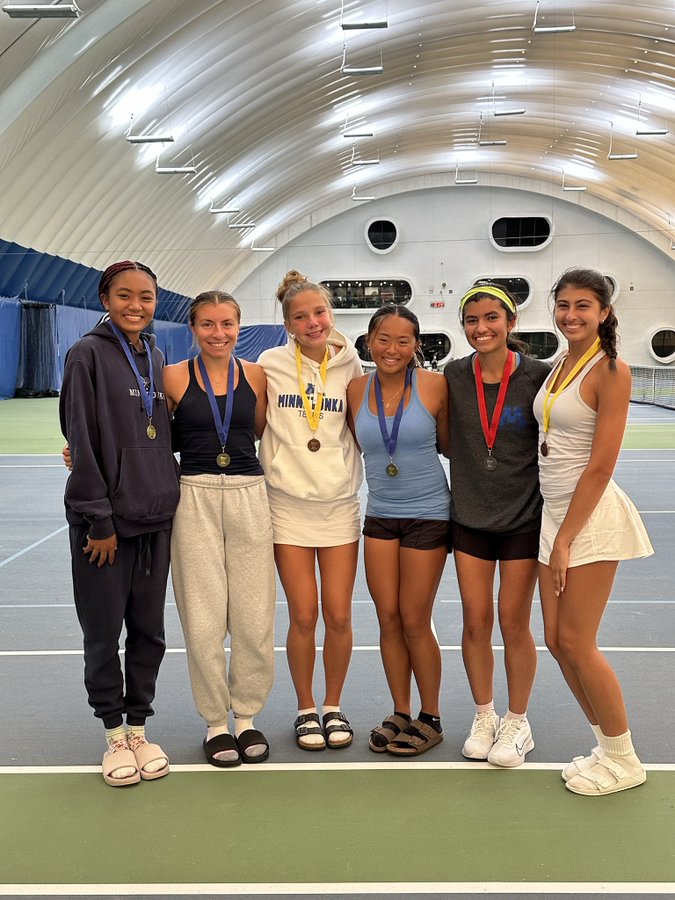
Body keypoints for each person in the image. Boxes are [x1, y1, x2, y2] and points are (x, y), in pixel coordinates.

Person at [59, 260, 180, 787]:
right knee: (104, 632)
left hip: (155, 519)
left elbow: (160, 431)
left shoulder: (154, 353)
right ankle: (112, 733)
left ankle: (138, 727)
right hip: (105, 526)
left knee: (149, 631)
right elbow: (82, 440)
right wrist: (98, 520)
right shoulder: (86, 353)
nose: (137, 305)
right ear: (105, 298)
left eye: (146, 297)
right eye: (125, 295)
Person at [534, 268, 653, 795]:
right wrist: (554, 532)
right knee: (556, 641)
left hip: (590, 518)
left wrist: (564, 541)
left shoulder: (611, 371)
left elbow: (600, 467)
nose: (571, 315)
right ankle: (604, 746)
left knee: (580, 643)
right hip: (553, 515)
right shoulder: (561, 363)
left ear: (604, 312)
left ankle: (626, 759)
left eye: (583, 305)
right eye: (563, 304)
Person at [163, 291, 276, 768]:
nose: (218, 333)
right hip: (194, 496)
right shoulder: (171, 376)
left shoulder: (256, 376)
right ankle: (215, 722)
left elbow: (267, 434)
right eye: (207, 324)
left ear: (239, 326)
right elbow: (145, 435)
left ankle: (246, 717)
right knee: (204, 620)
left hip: (250, 496)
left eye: (227, 324)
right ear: (193, 328)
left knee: (254, 618)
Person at [444, 284, 550, 767]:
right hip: (469, 518)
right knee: (474, 620)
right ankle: (484, 714)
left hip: (522, 519)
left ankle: (517, 721)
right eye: (471, 320)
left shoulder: (537, 377)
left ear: (510, 322)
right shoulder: (452, 376)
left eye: (490, 318)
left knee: (513, 621)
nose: (480, 328)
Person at [257, 270, 363, 751]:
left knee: (338, 615)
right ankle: (305, 708)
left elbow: (363, 431)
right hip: (286, 507)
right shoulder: (270, 364)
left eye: (319, 312)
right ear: (288, 323)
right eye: (301, 316)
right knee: (303, 614)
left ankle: (334, 705)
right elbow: (248, 421)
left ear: (331, 314)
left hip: (339, 507)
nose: (312, 322)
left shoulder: (352, 366)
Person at [347, 305, 451, 756]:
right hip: (380, 513)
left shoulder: (434, 385)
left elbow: (447, 443)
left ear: (416, 346)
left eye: (403, 341)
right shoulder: (354, 389)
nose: (392, 349)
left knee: (413, 617)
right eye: (383, 339)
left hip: (429, 512)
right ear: (369, 341)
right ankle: (401, 711)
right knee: (386, 616)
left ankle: (431, 716)